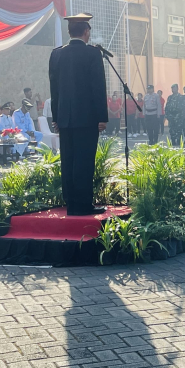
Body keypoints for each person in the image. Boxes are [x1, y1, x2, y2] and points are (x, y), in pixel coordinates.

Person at [49, 13, 109, 217]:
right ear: (86, 31)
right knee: (84, 161)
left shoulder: (56, 54)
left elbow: (54, 90)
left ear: (69, 32)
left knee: (68, 160)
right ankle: (82, 205)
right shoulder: (92, 54)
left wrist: (56, 118)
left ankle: (71, 203)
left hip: (64, 118)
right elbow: (98, 87)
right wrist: (102, 117)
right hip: (87, 118)